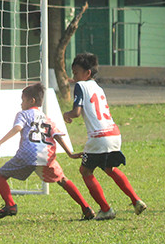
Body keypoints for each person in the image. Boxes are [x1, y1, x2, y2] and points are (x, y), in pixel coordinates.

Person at [0, 82, 95, 220]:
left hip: (27, 154)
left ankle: (10, 205)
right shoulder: (46, 118)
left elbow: (17, 128)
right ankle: (86, 208)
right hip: (47, 155)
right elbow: (57, 136)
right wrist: (70, 153)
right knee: (63, 180)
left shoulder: (23, 114)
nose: (21, 104)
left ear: (31, 100)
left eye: (23, 100)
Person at [62, 52, 147, 220]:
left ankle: (106, 209)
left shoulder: (81, 86)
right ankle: (136, 200)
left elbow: (77, 112)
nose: (74, 76)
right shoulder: (98, 88)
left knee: (85, 171)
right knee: (110, 169)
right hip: (114, 133)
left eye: (76, 72)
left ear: (87, 73)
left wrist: (66, 114)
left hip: (99, 137)